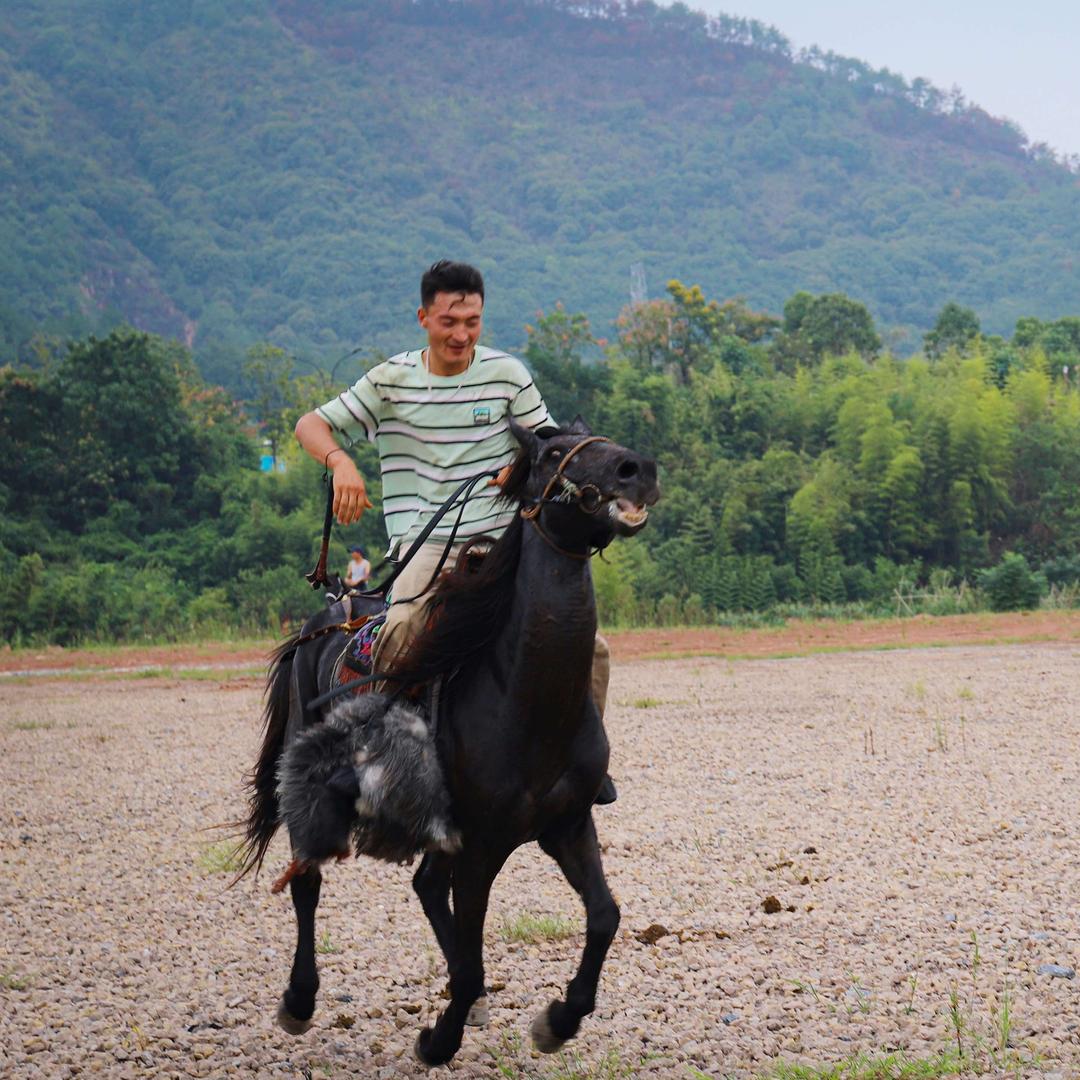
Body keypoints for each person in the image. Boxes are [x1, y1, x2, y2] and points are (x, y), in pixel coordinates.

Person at [294, 260, 614, 801]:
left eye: (472, 321)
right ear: (424, 318)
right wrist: (341, 463)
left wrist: (525, 468)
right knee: (402, 629)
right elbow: (311, 424)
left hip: (504, 545)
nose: (461, 334)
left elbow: (548, 452)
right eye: (449, 321)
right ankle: (375, 756)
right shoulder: (391, 380)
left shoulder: (508, 375)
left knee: (594, 650)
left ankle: (577, 762)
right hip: (429, 543)